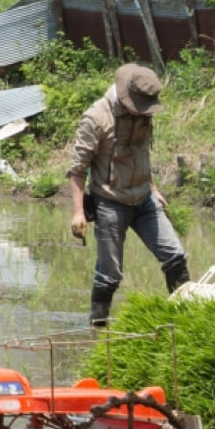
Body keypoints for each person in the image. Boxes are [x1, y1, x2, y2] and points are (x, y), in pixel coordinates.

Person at [68, 63, 189, 325]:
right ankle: (98, 331)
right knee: (110, 275)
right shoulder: (96, 118)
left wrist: (154, 189)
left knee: (175, 257)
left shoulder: (144, 114)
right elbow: (78, 169)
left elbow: (142, 153)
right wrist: (78, 212)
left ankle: (184, 323)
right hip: (110, 203)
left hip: (144, 199)